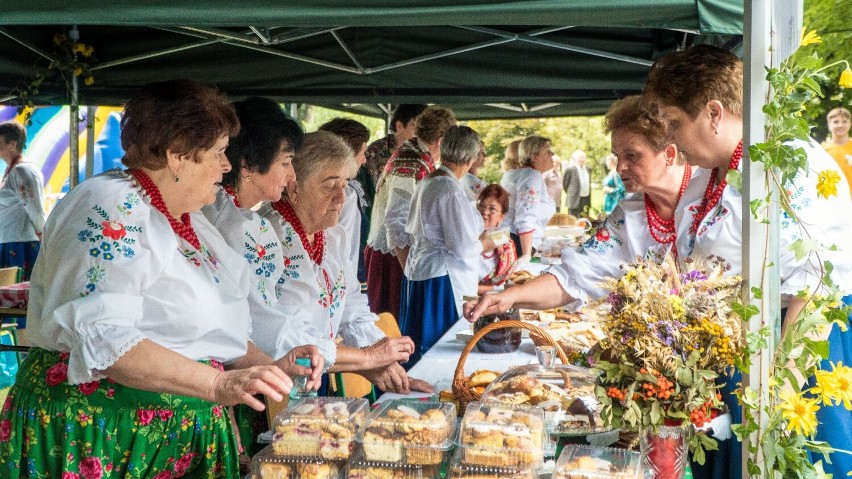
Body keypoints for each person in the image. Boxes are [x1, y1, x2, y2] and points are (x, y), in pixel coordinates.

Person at [0, 80, 300, 478]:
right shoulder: (112, 205)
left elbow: (204, 327)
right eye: (218, 153)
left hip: (166, 432)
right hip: (106, 432)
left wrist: (270, 368)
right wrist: (215, 385)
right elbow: (106, 338)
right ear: (177, 156)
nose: (226, 166)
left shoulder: (185, 217)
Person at [644, 43, 852, 479]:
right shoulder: (707, 176)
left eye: (676, 124)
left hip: (791, 352)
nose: (672, 140)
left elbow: (816, 288)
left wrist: (775, 392)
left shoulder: (791, 164)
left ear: (714, 113)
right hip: (733, 355)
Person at [465, 94, 697, 316]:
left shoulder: (715, 203)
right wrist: (511, 296)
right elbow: (574, 276)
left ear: (669, 154)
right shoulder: (627, 214)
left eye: (632, 156)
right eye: (617, 156)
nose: (619, 168)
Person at [258, 131, 431, 394]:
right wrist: (367, 358)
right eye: (330, 185)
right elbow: (278, 336)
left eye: (345, 184)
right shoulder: (267, 236)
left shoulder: (332, 236)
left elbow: (350, 305)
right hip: (269, 386)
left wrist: (384, 363)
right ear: (294, 187)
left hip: (315, 376)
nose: (342, 197)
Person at [200, 97, 323, 455]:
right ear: (248, 163)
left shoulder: (237, 217)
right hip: (237, 377)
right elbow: (259, 318)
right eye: (286, 163)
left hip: (248, 368)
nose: (292, 176)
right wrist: (283, 363)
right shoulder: (238, 225)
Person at [400, 126, 493, 365]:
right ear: (471, 158)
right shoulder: (448, 189)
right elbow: (461, 247)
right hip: (442, 277)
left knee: (422, 342)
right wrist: (483, 244)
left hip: (425, 269)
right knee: (438, 347)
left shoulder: (431, 181)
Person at [365, 105, 456, 320]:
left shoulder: (415, 153)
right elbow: (395, 221)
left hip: (395, 254)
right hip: (394, 258)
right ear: (441, 140)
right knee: (397, 328)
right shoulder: (410, 161)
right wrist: (411, 272)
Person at [318, 118, 371, 277]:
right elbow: (347, 249)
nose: (364, 160)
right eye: (363, 152)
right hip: (338, 277)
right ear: (347, 153)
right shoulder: (346, 194)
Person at [0, 121, 45, 280]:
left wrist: (44, 237)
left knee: (19, 293)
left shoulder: (23, 170)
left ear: (12, 144)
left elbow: (35, 208)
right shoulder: (11, 170)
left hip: (21, 242)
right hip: (9, 239)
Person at [502, 135, 557, 260]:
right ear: (534, 157)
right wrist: (526, 255)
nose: (552, 154)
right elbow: (525, 215)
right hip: (518, 243)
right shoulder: (531, 176)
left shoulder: (514, 174)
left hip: (510, 240)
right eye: (547, 151)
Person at [364, 104, 428, 186]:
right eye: (416, 127)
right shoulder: (374, 152)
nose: (423, 133)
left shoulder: (424, 152)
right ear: (399, 126)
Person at [476, 184, 517, 295]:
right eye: (481, 206)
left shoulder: (505, 241)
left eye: (492, 209)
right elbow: (460, 286)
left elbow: (509, 280)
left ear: (502, 216)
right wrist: (496, 289)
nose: (485, 212)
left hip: (496, 301)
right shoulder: (465, 237)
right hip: (464, 300)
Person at [822, 107, 852, 198]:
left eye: (844, 121)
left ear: (850, 124)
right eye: (835, 122)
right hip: (835, 202)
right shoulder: (824, 151)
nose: (840, 125)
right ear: (829, 125)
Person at [562, 149, 591, 217]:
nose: (582, 159)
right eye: (580, 158)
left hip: (585, 199)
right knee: (573, 220)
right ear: (575, 159)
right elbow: (565, 185)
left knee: (585, 221)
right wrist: (572, 193)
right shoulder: (570, 170)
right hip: (574, 199)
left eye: (584, 158)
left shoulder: (588, 169)